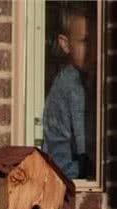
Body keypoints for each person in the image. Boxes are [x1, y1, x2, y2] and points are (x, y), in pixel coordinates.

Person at [42, 3, 93, 179]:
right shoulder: (68, 86)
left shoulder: (90, 80)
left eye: (95, 40)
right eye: (85, 41)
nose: (92, 48)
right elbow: (82, 150)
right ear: (65, 44)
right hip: (70, 177)